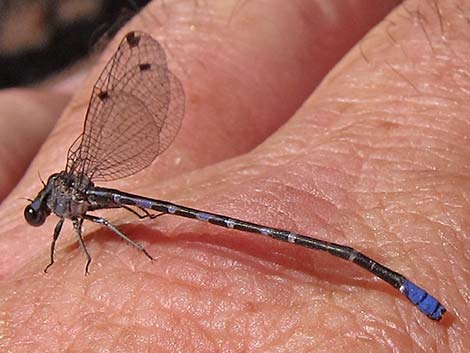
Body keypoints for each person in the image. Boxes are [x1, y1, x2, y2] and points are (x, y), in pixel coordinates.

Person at [0, 0, 465, 351]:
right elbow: (107, 214)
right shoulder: (72, 198)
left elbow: (96, 222)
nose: (45, 214)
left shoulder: (68, 204)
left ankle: (60, 89)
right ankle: (62, 89)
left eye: (41, 212)